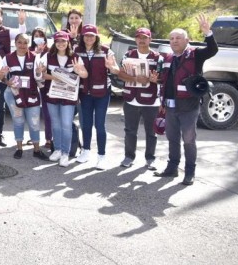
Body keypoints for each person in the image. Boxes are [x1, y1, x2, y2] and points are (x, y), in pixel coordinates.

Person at [154, 14, 217, 186]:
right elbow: (166, 80)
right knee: (172, 138)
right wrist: (157, 83)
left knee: (188, 140)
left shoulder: (196, 55)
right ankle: (172, 168)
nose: (174, 41)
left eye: (178, 38)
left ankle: (190, 172)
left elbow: (212, 50)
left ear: (187, 40)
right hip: (170, 106)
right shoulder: (167, 58)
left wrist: (208, 33)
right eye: (172, 38)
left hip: (189, 106)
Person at [36, 30, 87, 167]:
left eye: (63, 41)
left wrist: (79, 71)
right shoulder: (48, 56)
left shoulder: (75, 57)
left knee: (66, 124)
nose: (60, 43)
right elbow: (42, 75)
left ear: (67, 42)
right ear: (54, 43)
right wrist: (51, 75)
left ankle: (65, 153)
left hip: (68, 96)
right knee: (55, 123)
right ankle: (57, 150)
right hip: (52, 94)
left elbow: (85, 75)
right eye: (57, 41)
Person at [115, 27, 162, 170]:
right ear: (135, 39)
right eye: (139, 37)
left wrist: (155, 80)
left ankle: (150, 158)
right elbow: (120, 74)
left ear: (150, 39)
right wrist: (135, 79)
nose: (141, 40)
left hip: (151, 101)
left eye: (145, 37)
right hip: (131, 99)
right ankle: (129, 157)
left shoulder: (158, 58)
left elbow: (163, 78)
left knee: (151, 132)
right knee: (130, 130)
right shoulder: (128, 55)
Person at [0, 33, 51, 161]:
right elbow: (1, 77)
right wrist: (6, 81)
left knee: (34, 122)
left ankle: (37, 150)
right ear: (15, 43)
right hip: (14, 93)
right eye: (20, 42)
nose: (22, 45)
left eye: (25, 43)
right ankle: (19, 148)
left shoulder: (35, 57)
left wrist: (39, 72)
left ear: (29, 44)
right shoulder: (7, 58)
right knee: (18, 121)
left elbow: (39, 78)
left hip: (31, 93)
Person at [74, 24, 119, 169]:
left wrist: (111, 67)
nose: (89, 38)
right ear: (82, 37)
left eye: (92, 35)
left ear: (96, 37)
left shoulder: (106, 51)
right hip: (84, 93)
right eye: (86, 35)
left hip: (102, 94)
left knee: (100, 125)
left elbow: (116, 69)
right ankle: (86, 151)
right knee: (86, 124)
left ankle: (101, 156)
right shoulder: (77, 50)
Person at [0, 7, 27, 147]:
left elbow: (21, 33)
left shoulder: (7, 31)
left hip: (3, 71)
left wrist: (21, 22)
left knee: (0, 105)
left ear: (2, 18)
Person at [30, 27, 53, 152]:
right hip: (31, 87)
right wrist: (36, 53)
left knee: (47, 113)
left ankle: (49, 138)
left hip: (46, 86)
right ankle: (34, 138)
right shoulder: (29, 50)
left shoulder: (50, 51)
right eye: (36, 35)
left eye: (41, 35)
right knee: (32, 114)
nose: (38, 38)